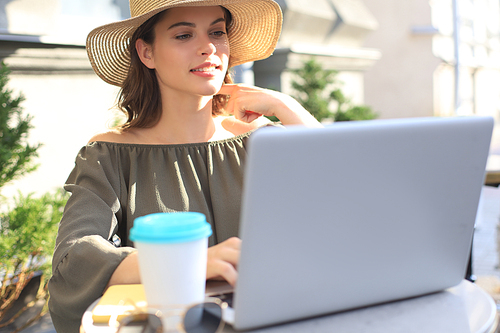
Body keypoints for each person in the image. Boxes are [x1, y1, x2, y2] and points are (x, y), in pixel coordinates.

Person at [48, 0, 321, 331]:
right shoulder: (110, 155)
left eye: (217, 32)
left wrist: (286, 106)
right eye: (183, 35)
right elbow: (74, 259)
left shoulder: (263, 143)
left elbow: (350, 203)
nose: (208, 47)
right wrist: (185, 264)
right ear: (147, 53)